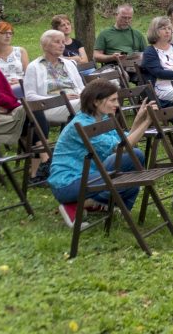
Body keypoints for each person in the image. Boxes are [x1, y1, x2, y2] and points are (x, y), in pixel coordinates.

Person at [48, 80, 155, 229]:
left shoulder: (102, 119)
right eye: (112, 100)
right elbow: (122, 148)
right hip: (68, 183)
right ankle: (75, 204)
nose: (117, 104)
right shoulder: (83, 124)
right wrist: (148, 122)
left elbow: (125, 141)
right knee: (134, 157)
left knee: (133, 178)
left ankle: (96, 204)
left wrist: (139, 120)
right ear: (96, 102)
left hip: (91, 175)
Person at [0, 24, 49, 178]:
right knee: (30, 119)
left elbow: (4, 90)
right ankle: (44, 162)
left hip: (1, 111)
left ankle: (40, 165)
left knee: (33, 111)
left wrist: (6, 105)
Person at [23, 29, 84, 122]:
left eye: (63, 42)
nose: (62, 45)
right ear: (45, 46)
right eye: (57, 42)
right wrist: (60, 99)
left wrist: (85, 95)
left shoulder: (70, 64)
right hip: (50, 107)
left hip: (76, 101)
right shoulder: (34, 67)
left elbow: (81, 87)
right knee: (92, 103)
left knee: (101, 99)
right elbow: (30, 96)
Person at [141, 16, 173, 105]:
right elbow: (159, 73)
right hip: (164, 88)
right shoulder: (150, 52)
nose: (167, 31)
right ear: (155, 31)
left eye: (169, 28)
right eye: (163, 28)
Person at [0, 21, 29, 96]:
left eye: (10, 33)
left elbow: (29, 75)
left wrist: (21, 81)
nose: (8, 36)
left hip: (21, 88)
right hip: (0, 91)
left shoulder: (20, 51)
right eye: (3, 33)